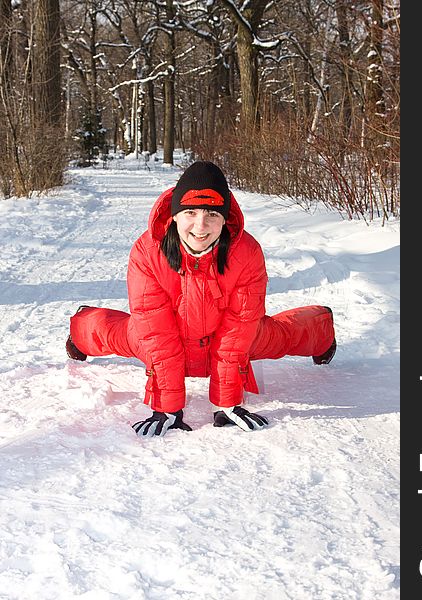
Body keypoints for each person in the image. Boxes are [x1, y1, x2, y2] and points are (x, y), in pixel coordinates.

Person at [66, 161, 336, 437]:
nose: (200, 225)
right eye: (190, 212)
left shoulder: (246, 252)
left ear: (225, 218)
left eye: (212, 214)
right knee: (114, 333)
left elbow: (240, 328)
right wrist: (167, 407)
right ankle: (81, 324)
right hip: (165, 338)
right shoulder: (147, 252)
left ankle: (322, 324)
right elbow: (155, 332)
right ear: (174, 216)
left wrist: (227, 401)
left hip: (231, 339)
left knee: (282, 336)